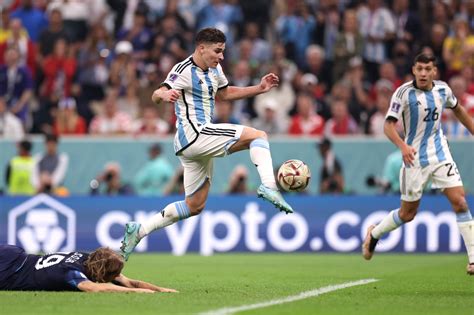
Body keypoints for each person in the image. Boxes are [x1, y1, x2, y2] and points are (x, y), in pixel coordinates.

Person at [120, 27, 293, 261]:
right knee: (258, 136)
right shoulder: (181, 70)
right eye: (217, 51)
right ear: (201, 48)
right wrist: (163, 96)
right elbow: (157, 93)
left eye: (222, 51)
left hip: (192, 148)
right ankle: (269, 186)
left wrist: (259, 89)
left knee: (194, 206)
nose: (221, 56)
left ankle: (138, 232)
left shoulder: (215, 69)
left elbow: (224, 94)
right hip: (195, 135)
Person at [362, 53, 474, 275]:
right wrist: (403, 147)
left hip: (440, 154)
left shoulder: (443, 90)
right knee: (407, 214)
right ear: (413, 70)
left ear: (434, 71)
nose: (423, 73)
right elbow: (388, 126)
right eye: (419, 69)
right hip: (414, 158)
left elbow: (459, 109)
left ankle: (473, 259)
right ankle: (374, 233)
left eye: (428, 69)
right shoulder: (403, 93)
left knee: (460, 201)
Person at [0, 245, 177, 293]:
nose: (118, 277)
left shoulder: (87, 257)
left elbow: (129, 282)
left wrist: (160, 290)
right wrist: (137, 293)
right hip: (8, 272)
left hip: (14, 254)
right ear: (102, 274)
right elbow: (93, 288)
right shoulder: (70, 273)